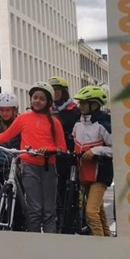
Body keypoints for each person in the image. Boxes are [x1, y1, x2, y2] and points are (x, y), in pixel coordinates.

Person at [0, 81, 66, 233]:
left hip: (48, 167)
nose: (37, 101)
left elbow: (62, 147)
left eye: (41, 98)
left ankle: (50, 243)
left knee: (48, 211)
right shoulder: (23, 118)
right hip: (29, 166)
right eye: (34, 97)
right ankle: (32, 244)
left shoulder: (55, 123)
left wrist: (50, 149)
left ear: (48, 102)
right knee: (34, 209)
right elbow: (5, 135)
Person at [71, 86, 113, 237]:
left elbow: (118, 150)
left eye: (83, 103)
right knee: (99, 211)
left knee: (90, 212)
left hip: (100, 173)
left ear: (94, 105)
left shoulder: (104, 125)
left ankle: (100, 247)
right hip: (84, 173)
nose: (80, 106)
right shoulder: (78, 124)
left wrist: (95, 150)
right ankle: (107, 240)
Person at [49, 76, 80, 213]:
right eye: (52, 90)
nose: (55, 93)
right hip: (53, 151)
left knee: (73, 185)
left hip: (70, 151)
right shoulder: (46, 110)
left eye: (57, 90)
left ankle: (75, 212)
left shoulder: (74, 110)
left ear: (64, 92)